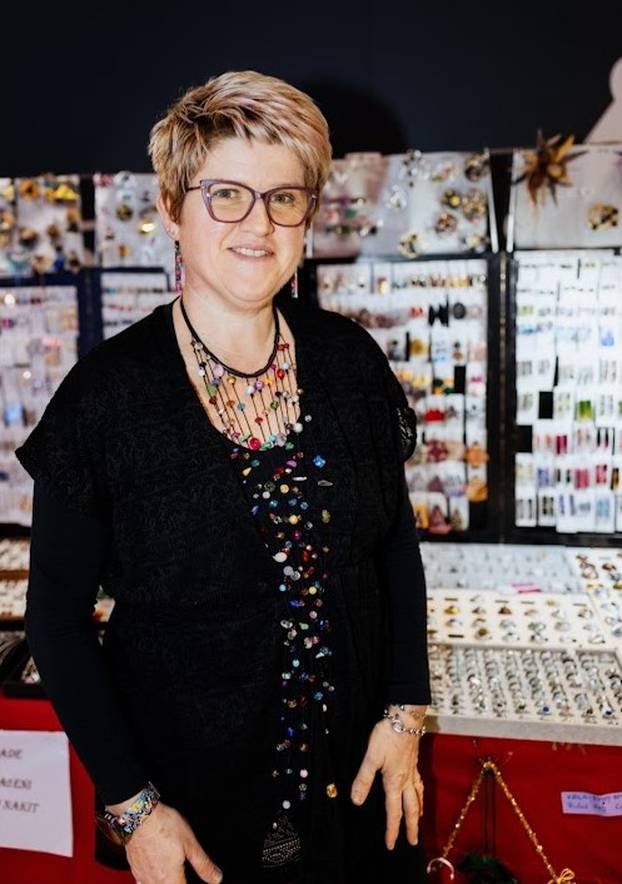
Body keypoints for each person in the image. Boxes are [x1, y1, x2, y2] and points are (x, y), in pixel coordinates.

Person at [16, 70, 431, 884]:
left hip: (361, 800)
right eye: (227, 195)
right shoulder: (106, 400)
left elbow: (394, 545)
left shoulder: (349, 364)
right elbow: (55, 622)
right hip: (194, 824)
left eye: (285, 198)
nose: (259, 224)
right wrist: (133, 808)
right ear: (172, 208)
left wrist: (404, 711)